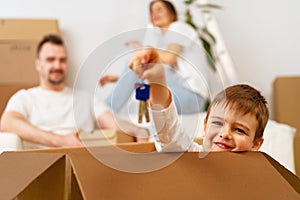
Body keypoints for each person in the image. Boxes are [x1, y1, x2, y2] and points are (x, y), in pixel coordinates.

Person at [0, 34, 149, 149]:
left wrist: (137, 130)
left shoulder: (85, 99)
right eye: (50, 60)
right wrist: (61, 141)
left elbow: (113, 124)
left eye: (62, 60)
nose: (57, 65)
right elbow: (7, 122)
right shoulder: (25, 97)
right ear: (38, 64)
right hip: (39, 171)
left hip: (81, 169)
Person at [128, 47, 269, 152]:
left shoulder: (259, 175)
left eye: (239, 130)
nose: (225, 134)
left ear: (256, 144)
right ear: (205, 126)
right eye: (218, 123)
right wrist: (156, 80)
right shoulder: (195, 157)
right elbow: (169, 136)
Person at [101, 0, 211, 114]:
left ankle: (105, 111)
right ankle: (138, 118)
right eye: (151, 12)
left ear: (172, 14)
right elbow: (152, 75)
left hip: (192, 97)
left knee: (141, 63)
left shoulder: (178, 27)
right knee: (144, 72)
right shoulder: (164, 41)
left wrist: (144, 51)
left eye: (159, 9)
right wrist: (118, 79)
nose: (154, 14)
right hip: (183, 96)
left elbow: (169, 58)